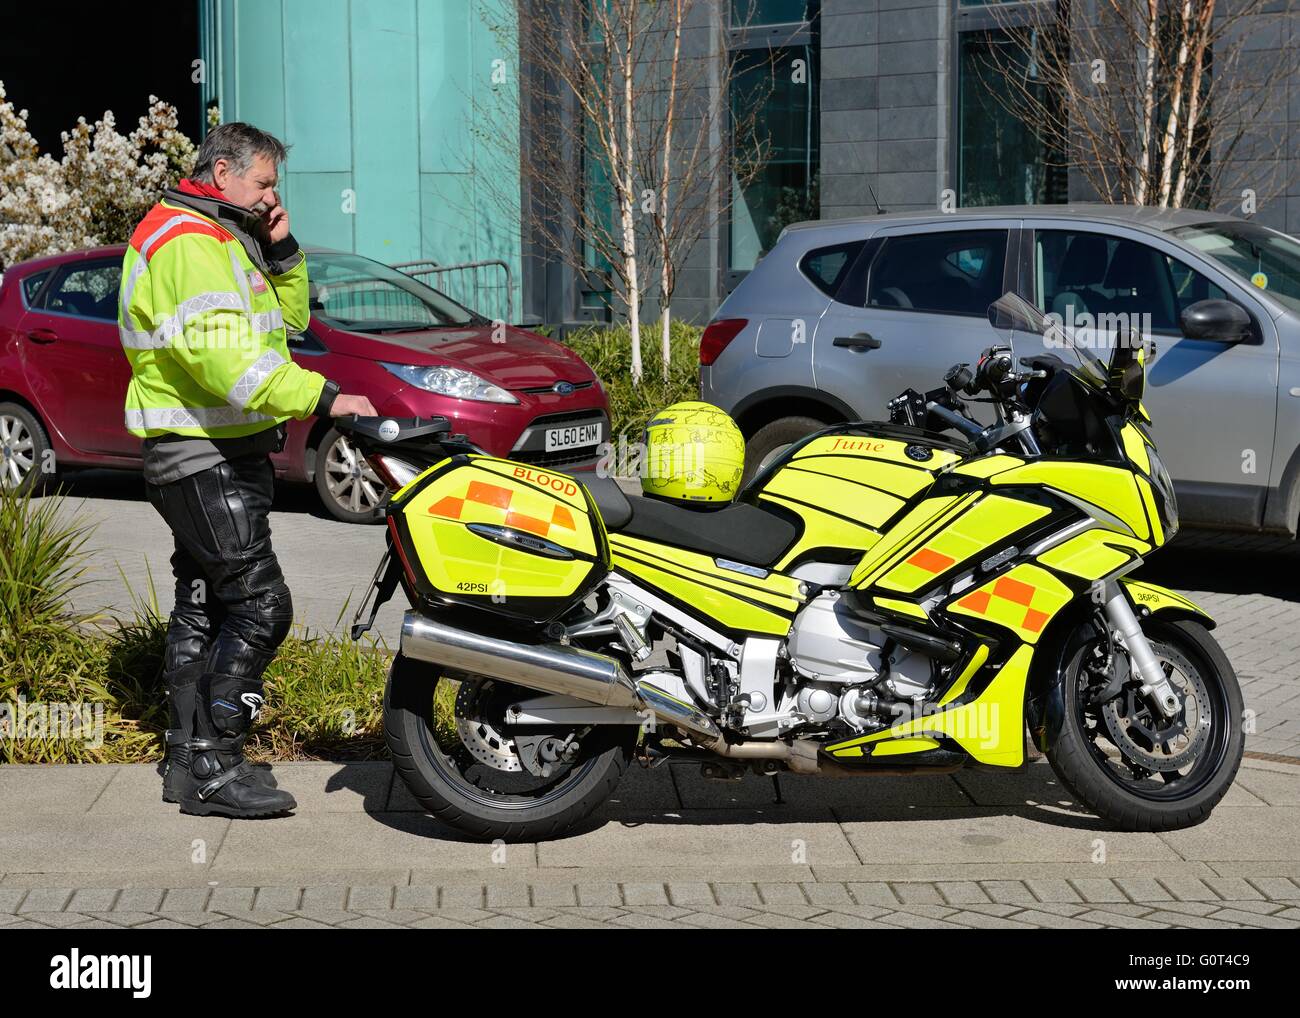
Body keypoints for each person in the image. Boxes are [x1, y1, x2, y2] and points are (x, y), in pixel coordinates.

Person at [118, 122, 376, 817]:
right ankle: (216, 763)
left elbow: (284, 326)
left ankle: (188, 761)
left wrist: (281, 246)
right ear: (224, 170)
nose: (271, 194)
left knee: (206, 605)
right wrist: (324, 397)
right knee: (263, 605)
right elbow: (231, 365)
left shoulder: (220, 234)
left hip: (213, 450)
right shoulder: (189, 241)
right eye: (263, 182)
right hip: (202, 453)